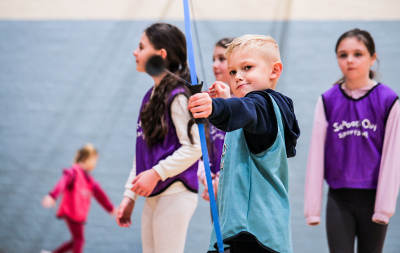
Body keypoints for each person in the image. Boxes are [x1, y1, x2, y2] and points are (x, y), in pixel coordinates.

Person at [188, 34, 300, 253]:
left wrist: (215, 107)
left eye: (247, 67)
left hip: (252, 236)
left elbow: (246, 109)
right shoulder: (262, 111)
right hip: (247, 232)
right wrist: (227, 102)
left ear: (274, 70)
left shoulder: (264, 104)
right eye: (233, 71)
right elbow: (244, 113)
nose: (238, 76)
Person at [304, 28, 400, 253]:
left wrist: (384, 208)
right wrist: (312, 209)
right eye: (343, 54)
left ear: (372, 59)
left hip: (373, 199)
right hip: (339, 199)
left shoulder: (388, 100)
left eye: (358, 54)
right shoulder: (328, 100)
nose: (350, 60)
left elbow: (393, 157)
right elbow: (316, 155)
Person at [116, 23, 202, 253]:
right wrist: (130, 194)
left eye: (141, 46)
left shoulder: (179, 96)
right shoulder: (149, 97)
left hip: (176, 192)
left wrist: (156, 173)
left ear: (160, 54)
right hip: (155, 194)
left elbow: (195, 148)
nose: (135, 52)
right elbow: (142, 153)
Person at [41, 143, 116, 253]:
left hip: (78, 214)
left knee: (75, 240)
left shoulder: (89, 179)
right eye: (94, 160)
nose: (95, 164)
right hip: (72, 212)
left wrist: (111, 209)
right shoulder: (74, 173)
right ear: (86, 159)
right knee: (79, 240)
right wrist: (53, 195)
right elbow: (63, 182)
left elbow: (100, 195)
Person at [198, 37, 235, 202]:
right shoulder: (208, 101)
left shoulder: (247, 102)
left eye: (221, 59)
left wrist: (224, 179)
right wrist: (208, 179)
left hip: (239, 189)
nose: (214, 65)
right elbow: (197, 148)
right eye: (213, 59)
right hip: (215, 189)